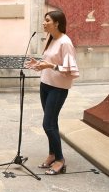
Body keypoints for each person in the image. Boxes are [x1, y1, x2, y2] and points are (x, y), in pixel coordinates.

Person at [25, 10, 79, 175]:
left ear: (56, 23)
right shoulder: (50, 39)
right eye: (44, 20)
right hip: (45, 85)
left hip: (58, 88)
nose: (44, 23)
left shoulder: (65, 42)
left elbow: (70, 69)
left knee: (47, 124)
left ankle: (60, 160)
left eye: (47, 20)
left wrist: (48, 66)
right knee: (52, 123)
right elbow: (50, 61)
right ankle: (52, 154)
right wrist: (39, 63)